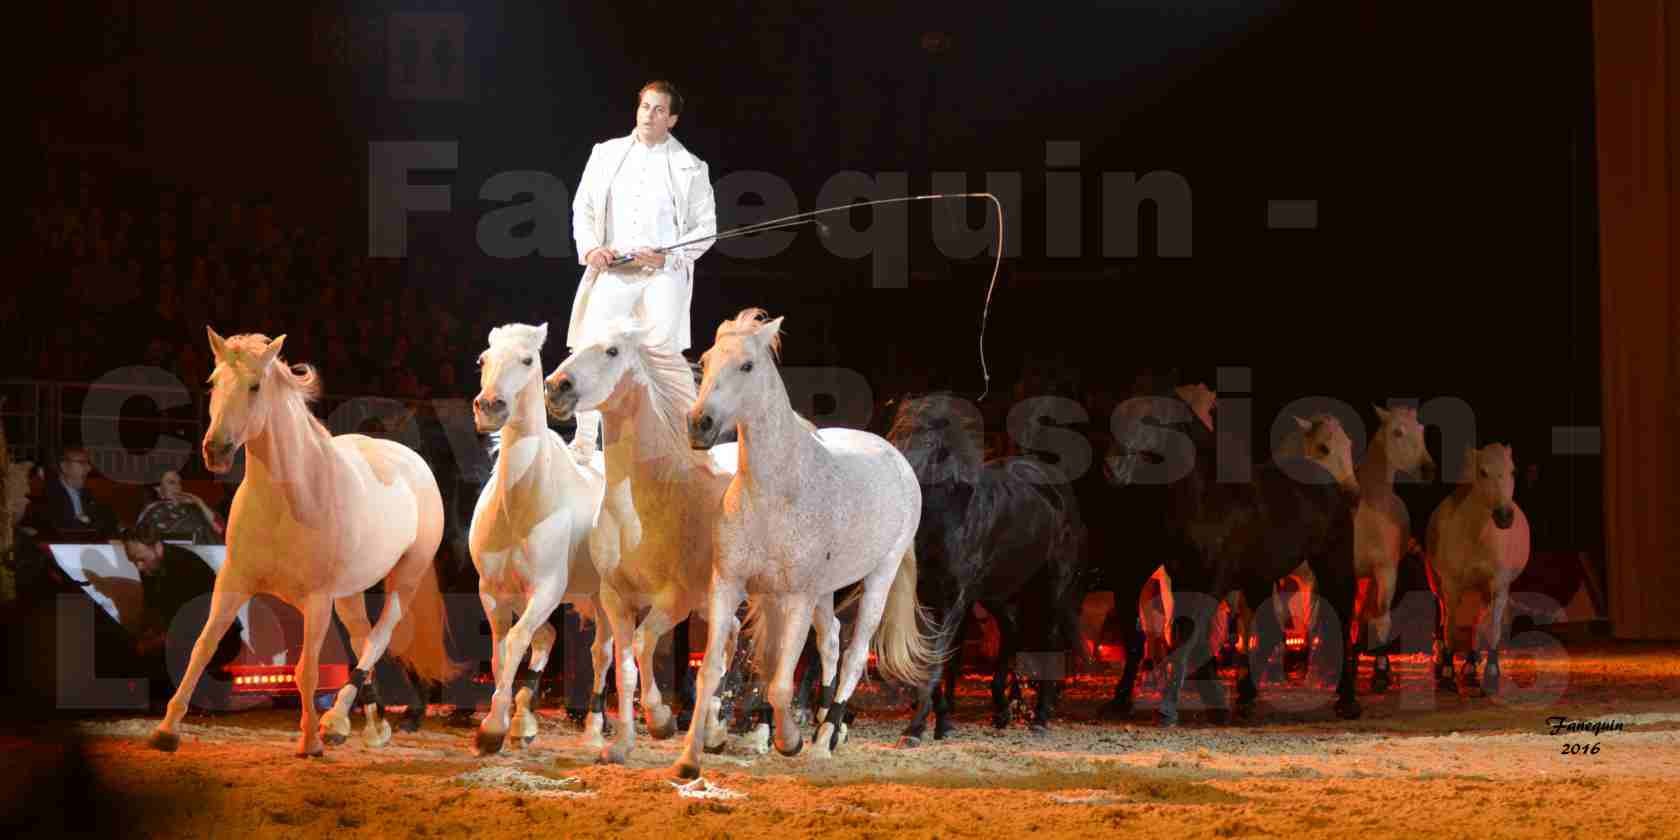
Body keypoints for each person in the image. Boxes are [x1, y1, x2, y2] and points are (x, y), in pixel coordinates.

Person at [565, 80, 718, 462]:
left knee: (662, 353)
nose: (649, 115)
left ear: (673, 119)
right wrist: (591, 248)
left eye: (659, 110)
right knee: (592, 346)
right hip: (614, 267)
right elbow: (583, 207)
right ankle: (584, 441)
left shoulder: (691, 168)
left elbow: (706, 227)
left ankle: (676, 440)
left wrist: (668, 257)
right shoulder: (605, 154)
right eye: (645, 107)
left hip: (661, 273)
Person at [121, 522, 244, 710]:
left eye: (141, 559)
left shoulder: (186, 566)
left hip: (219, 637)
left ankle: (212, 689)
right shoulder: (152, 566)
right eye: (134, 561)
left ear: (157, 547)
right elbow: (152, 611)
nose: (138, 566)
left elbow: (194, 622)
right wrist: (144, 637)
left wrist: (158, 640)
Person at [42, 447, 119, 540]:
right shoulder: (48, 494)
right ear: (64, 466)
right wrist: (88, 521)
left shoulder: (88, 494)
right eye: (82, 463)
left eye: (88, 464)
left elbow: (108, 520)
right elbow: (59, 526)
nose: (89, 468)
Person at [133, 469, 224, 544]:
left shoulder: (193, 507)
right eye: (171, 482)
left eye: (179, 483)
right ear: (157, 488)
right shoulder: (151, 511)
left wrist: (198, 502)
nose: (178, 487)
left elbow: (220, 529)